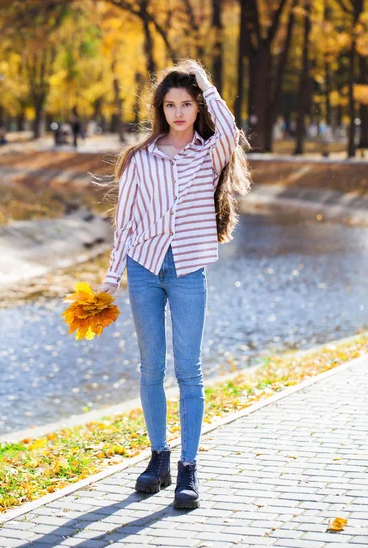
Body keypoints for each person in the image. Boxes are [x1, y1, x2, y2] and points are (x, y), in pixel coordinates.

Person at [95, 59, 252, 509]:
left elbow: (229, 128)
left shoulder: (209, 152)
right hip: (144, 269)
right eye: (170, 104)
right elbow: (124, 224)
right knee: (151, 369)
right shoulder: (140, 159)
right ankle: (158, 460)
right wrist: (111, 280)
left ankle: (188, 469)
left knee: (189, 372)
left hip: (188, 271)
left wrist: (201, 77)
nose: (178, 112)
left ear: (197, 105)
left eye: (186, 104)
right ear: (160, 110)